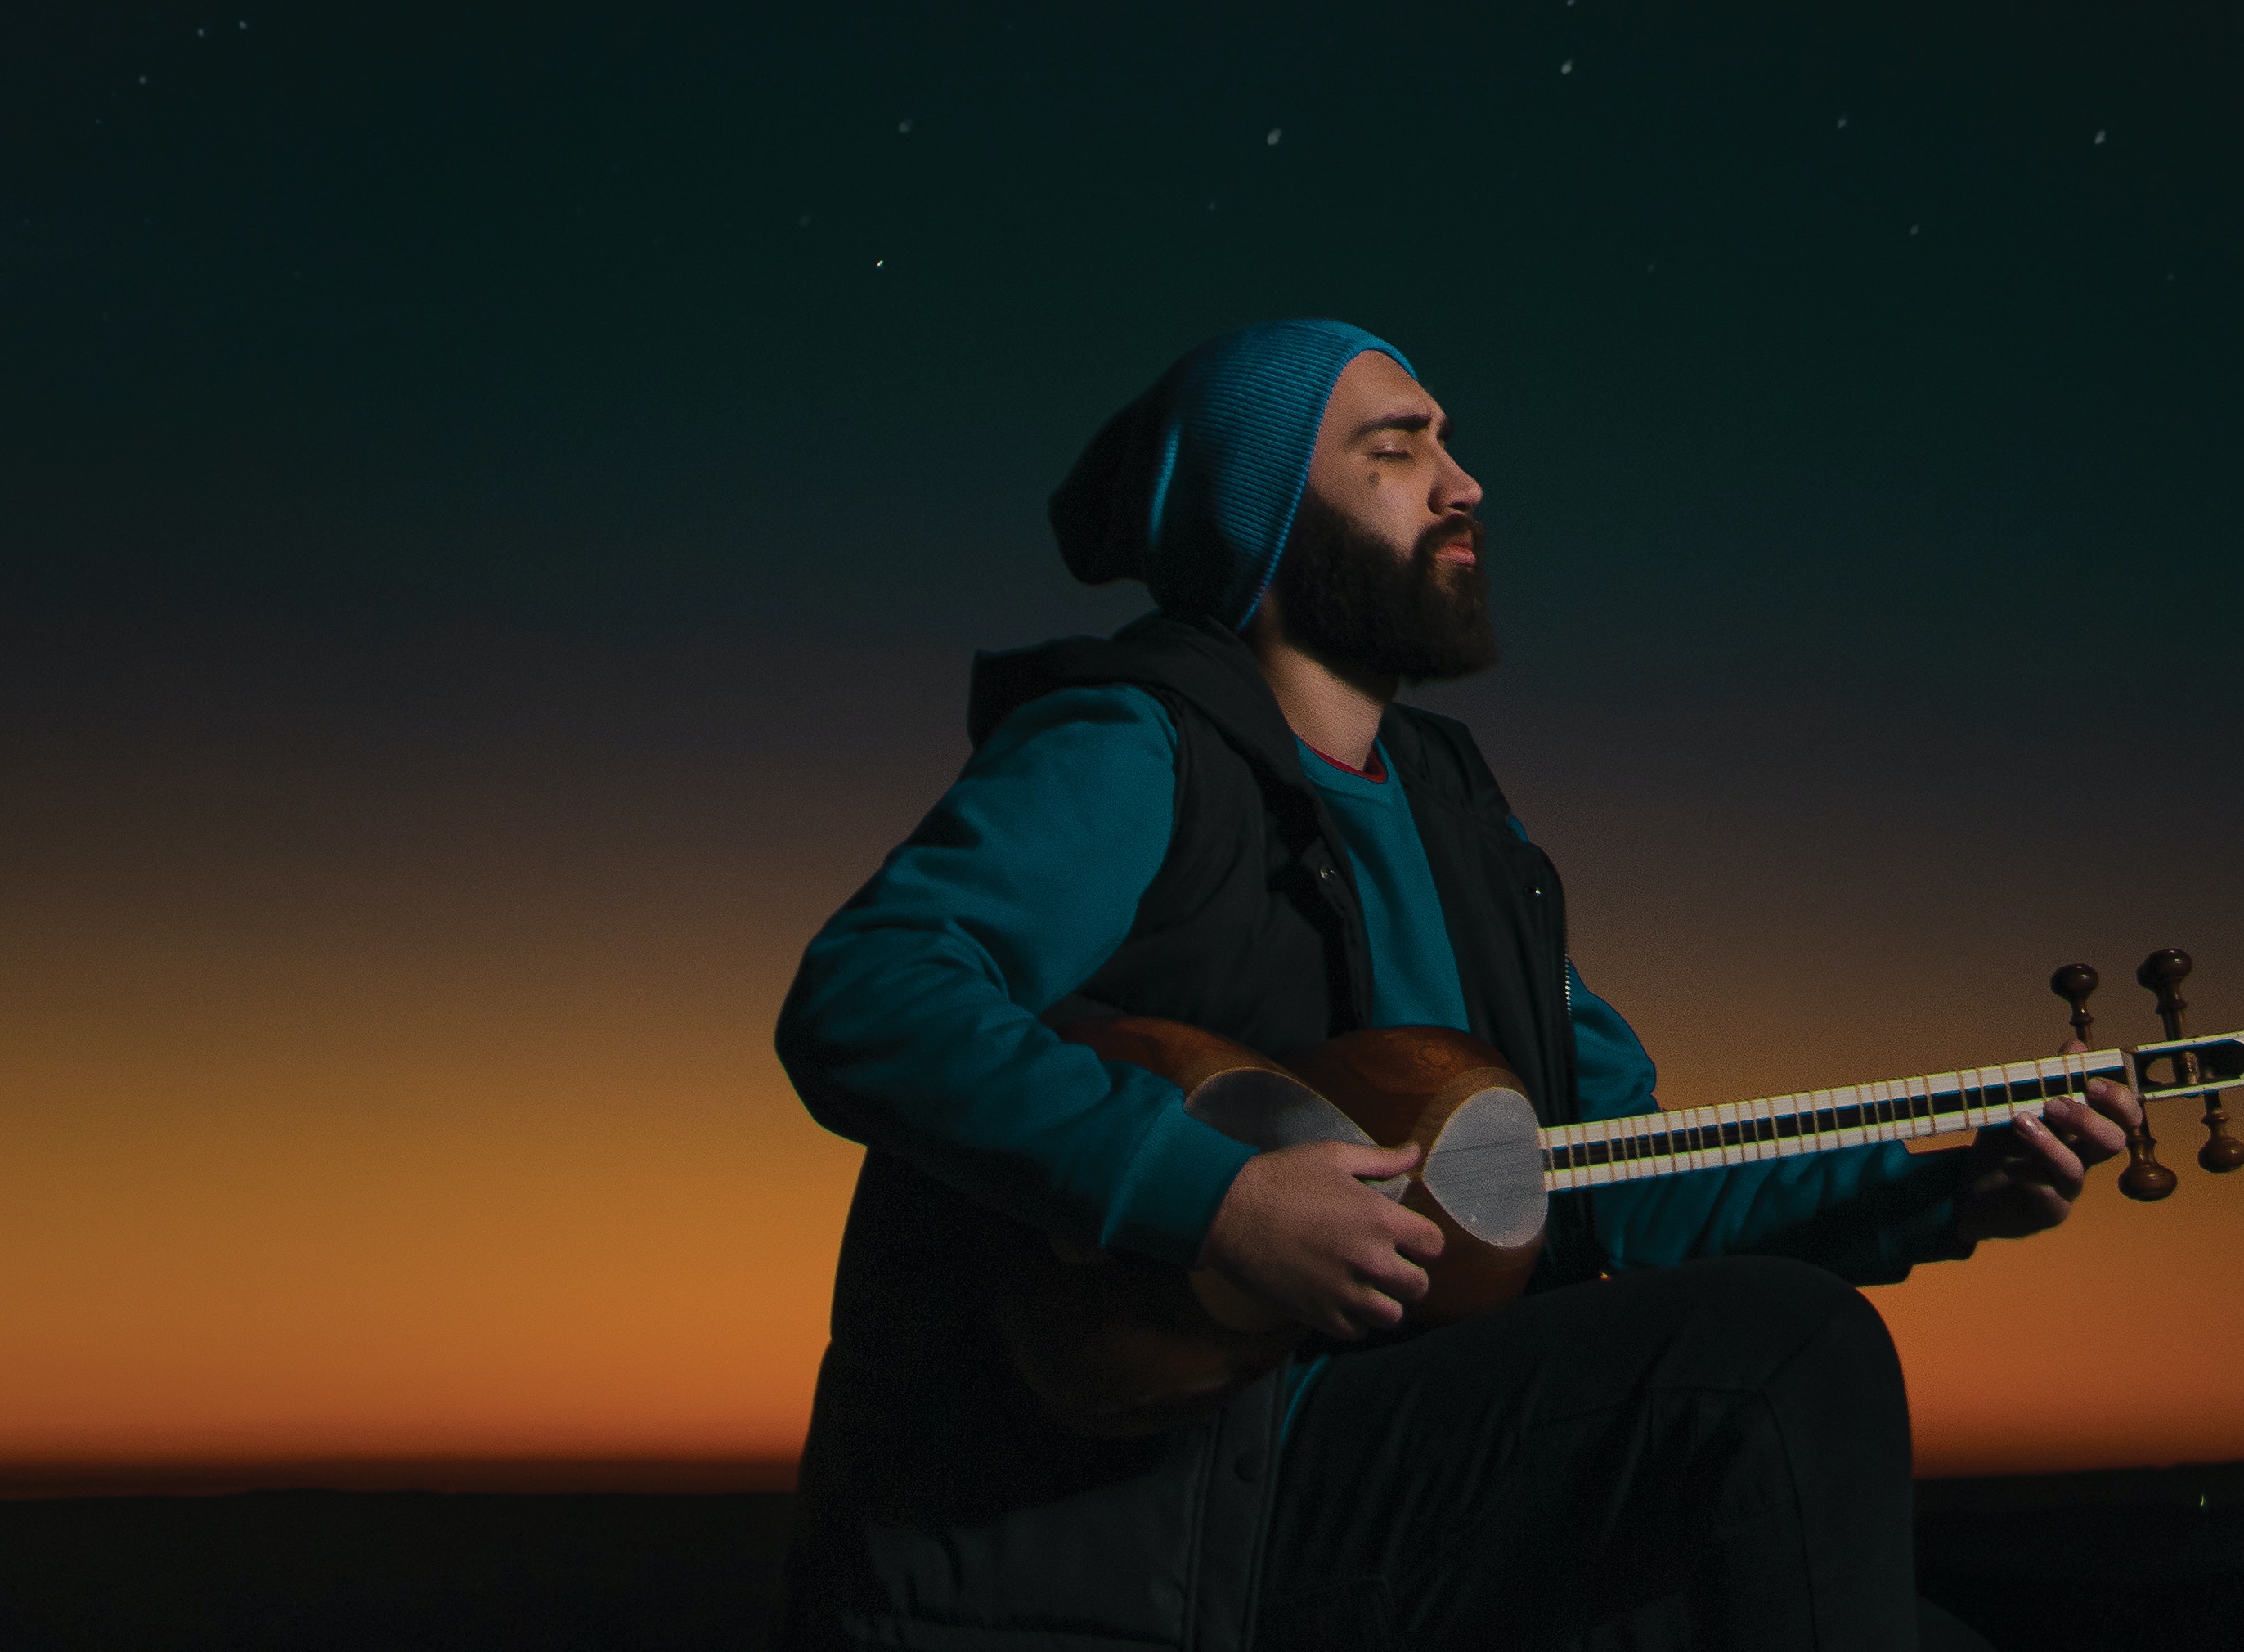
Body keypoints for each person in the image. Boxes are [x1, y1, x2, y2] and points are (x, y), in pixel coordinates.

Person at [774, 316, 2140, 1652]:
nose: (1464, 478)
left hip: (1406, 1454)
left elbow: (1614, 1171)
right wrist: (1218, 1201)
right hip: (1198, 1494)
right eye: (1397, 447)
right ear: (1263, 522)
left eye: (1451, 443)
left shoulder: (1465, 827)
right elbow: (872, 995)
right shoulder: (1135, 748)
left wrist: (1941, 1190)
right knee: (1783, 1361)